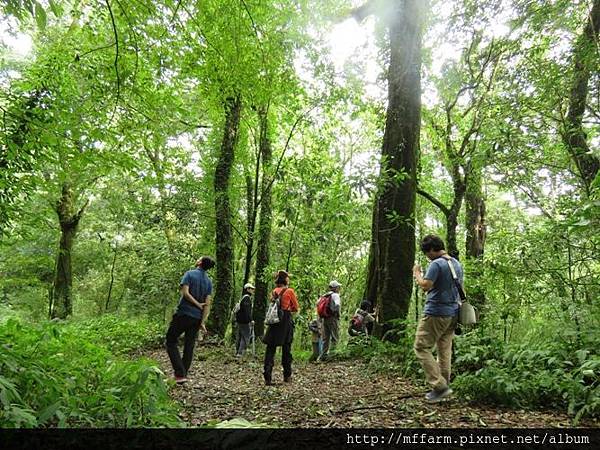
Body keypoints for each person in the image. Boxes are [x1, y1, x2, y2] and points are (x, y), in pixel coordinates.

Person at [412, 235, 462, 403]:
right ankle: (444, 386)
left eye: (427, 252)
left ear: (433, 249)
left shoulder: (436, 264)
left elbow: (426, 285)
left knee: (421, 347)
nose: (427, 256)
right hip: (453, 313)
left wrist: (417, 273)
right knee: (444, 349)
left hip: (436, 312)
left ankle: (440, 386)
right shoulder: (456, 263)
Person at [165, 256, 215, 384]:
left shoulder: (189, 274)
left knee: (170, 340)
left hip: (183, 313)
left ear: (199, 262)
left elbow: (185, 293)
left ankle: (180, 373)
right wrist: (202, 321)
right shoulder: (209, 282)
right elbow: (207, 304)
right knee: (189, 344)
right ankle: (183, 374)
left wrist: (197, 304)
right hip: (196, 318)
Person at [263, 270, 299, 385]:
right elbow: (295, 308)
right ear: (286, 279)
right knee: (286, 348)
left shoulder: (274, 291)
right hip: (285, 320)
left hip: (274, 320)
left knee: (270, 348)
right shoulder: (290, 291)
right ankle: (287, 376)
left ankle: (267, 376)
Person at [319, 280, 341, 361]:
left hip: (325, 318)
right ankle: (332, 356)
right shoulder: (335, 295)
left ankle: (323, 356)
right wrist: (337, 314)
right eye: (338, 287)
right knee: (335, 337)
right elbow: (337, 305)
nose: (339, 288)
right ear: (335, 288)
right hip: (332, 318)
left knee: (325, 338)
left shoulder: (325, 295)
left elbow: (318, 304)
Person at [235, 282, 255, 357]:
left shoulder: (243, 297)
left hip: (240, 320)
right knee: (246, 336)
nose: (253, 290)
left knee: (240, 336)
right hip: (244, 321)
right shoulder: (247, 298)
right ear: (247, 289)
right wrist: (251, 320)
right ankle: (240, 353)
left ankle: (237, 352)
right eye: (251, 289)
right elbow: (247, 311)